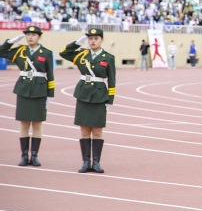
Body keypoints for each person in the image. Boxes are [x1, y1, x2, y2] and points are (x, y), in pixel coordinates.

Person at [60, 28, 116, 173]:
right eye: (90, 38)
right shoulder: (81, 54)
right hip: (83, 94)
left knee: (97, 131)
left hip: (99, 96)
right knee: (84, 131)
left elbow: (112, 80)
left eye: (96, 38)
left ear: (102, 40)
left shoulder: (108, 57)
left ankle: (96, 162)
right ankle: (86, 162)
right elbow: (64, 53)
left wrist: (109, 100)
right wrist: (79, 42)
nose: (93, 41)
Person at [0, 26, 54, 167]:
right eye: (28, 34)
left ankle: (34, 156)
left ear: (39, 37)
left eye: (33, 35)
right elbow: (1, 51)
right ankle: (24, 156)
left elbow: (50, 75)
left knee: (37, 123)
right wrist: (10, 42)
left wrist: (50, 95)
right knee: (24, 123)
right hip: (23, 89)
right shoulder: (19, 51)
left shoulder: (46, 53)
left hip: (40, 90)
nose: (30, 37)